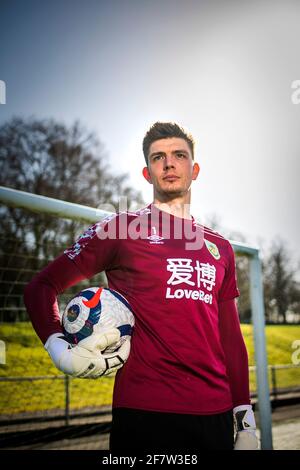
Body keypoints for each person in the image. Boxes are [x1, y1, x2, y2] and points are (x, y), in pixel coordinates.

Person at [24, 122, 258, 452]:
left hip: (215, 414)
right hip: (144, 412)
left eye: (179, 155)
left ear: (195, 168)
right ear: (148, 173)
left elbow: (230, 337)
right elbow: (41, 286)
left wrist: (245, 416)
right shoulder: (121, 229)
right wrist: (57, 347)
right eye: (158, 157)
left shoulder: (220, 247)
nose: (169, 163)